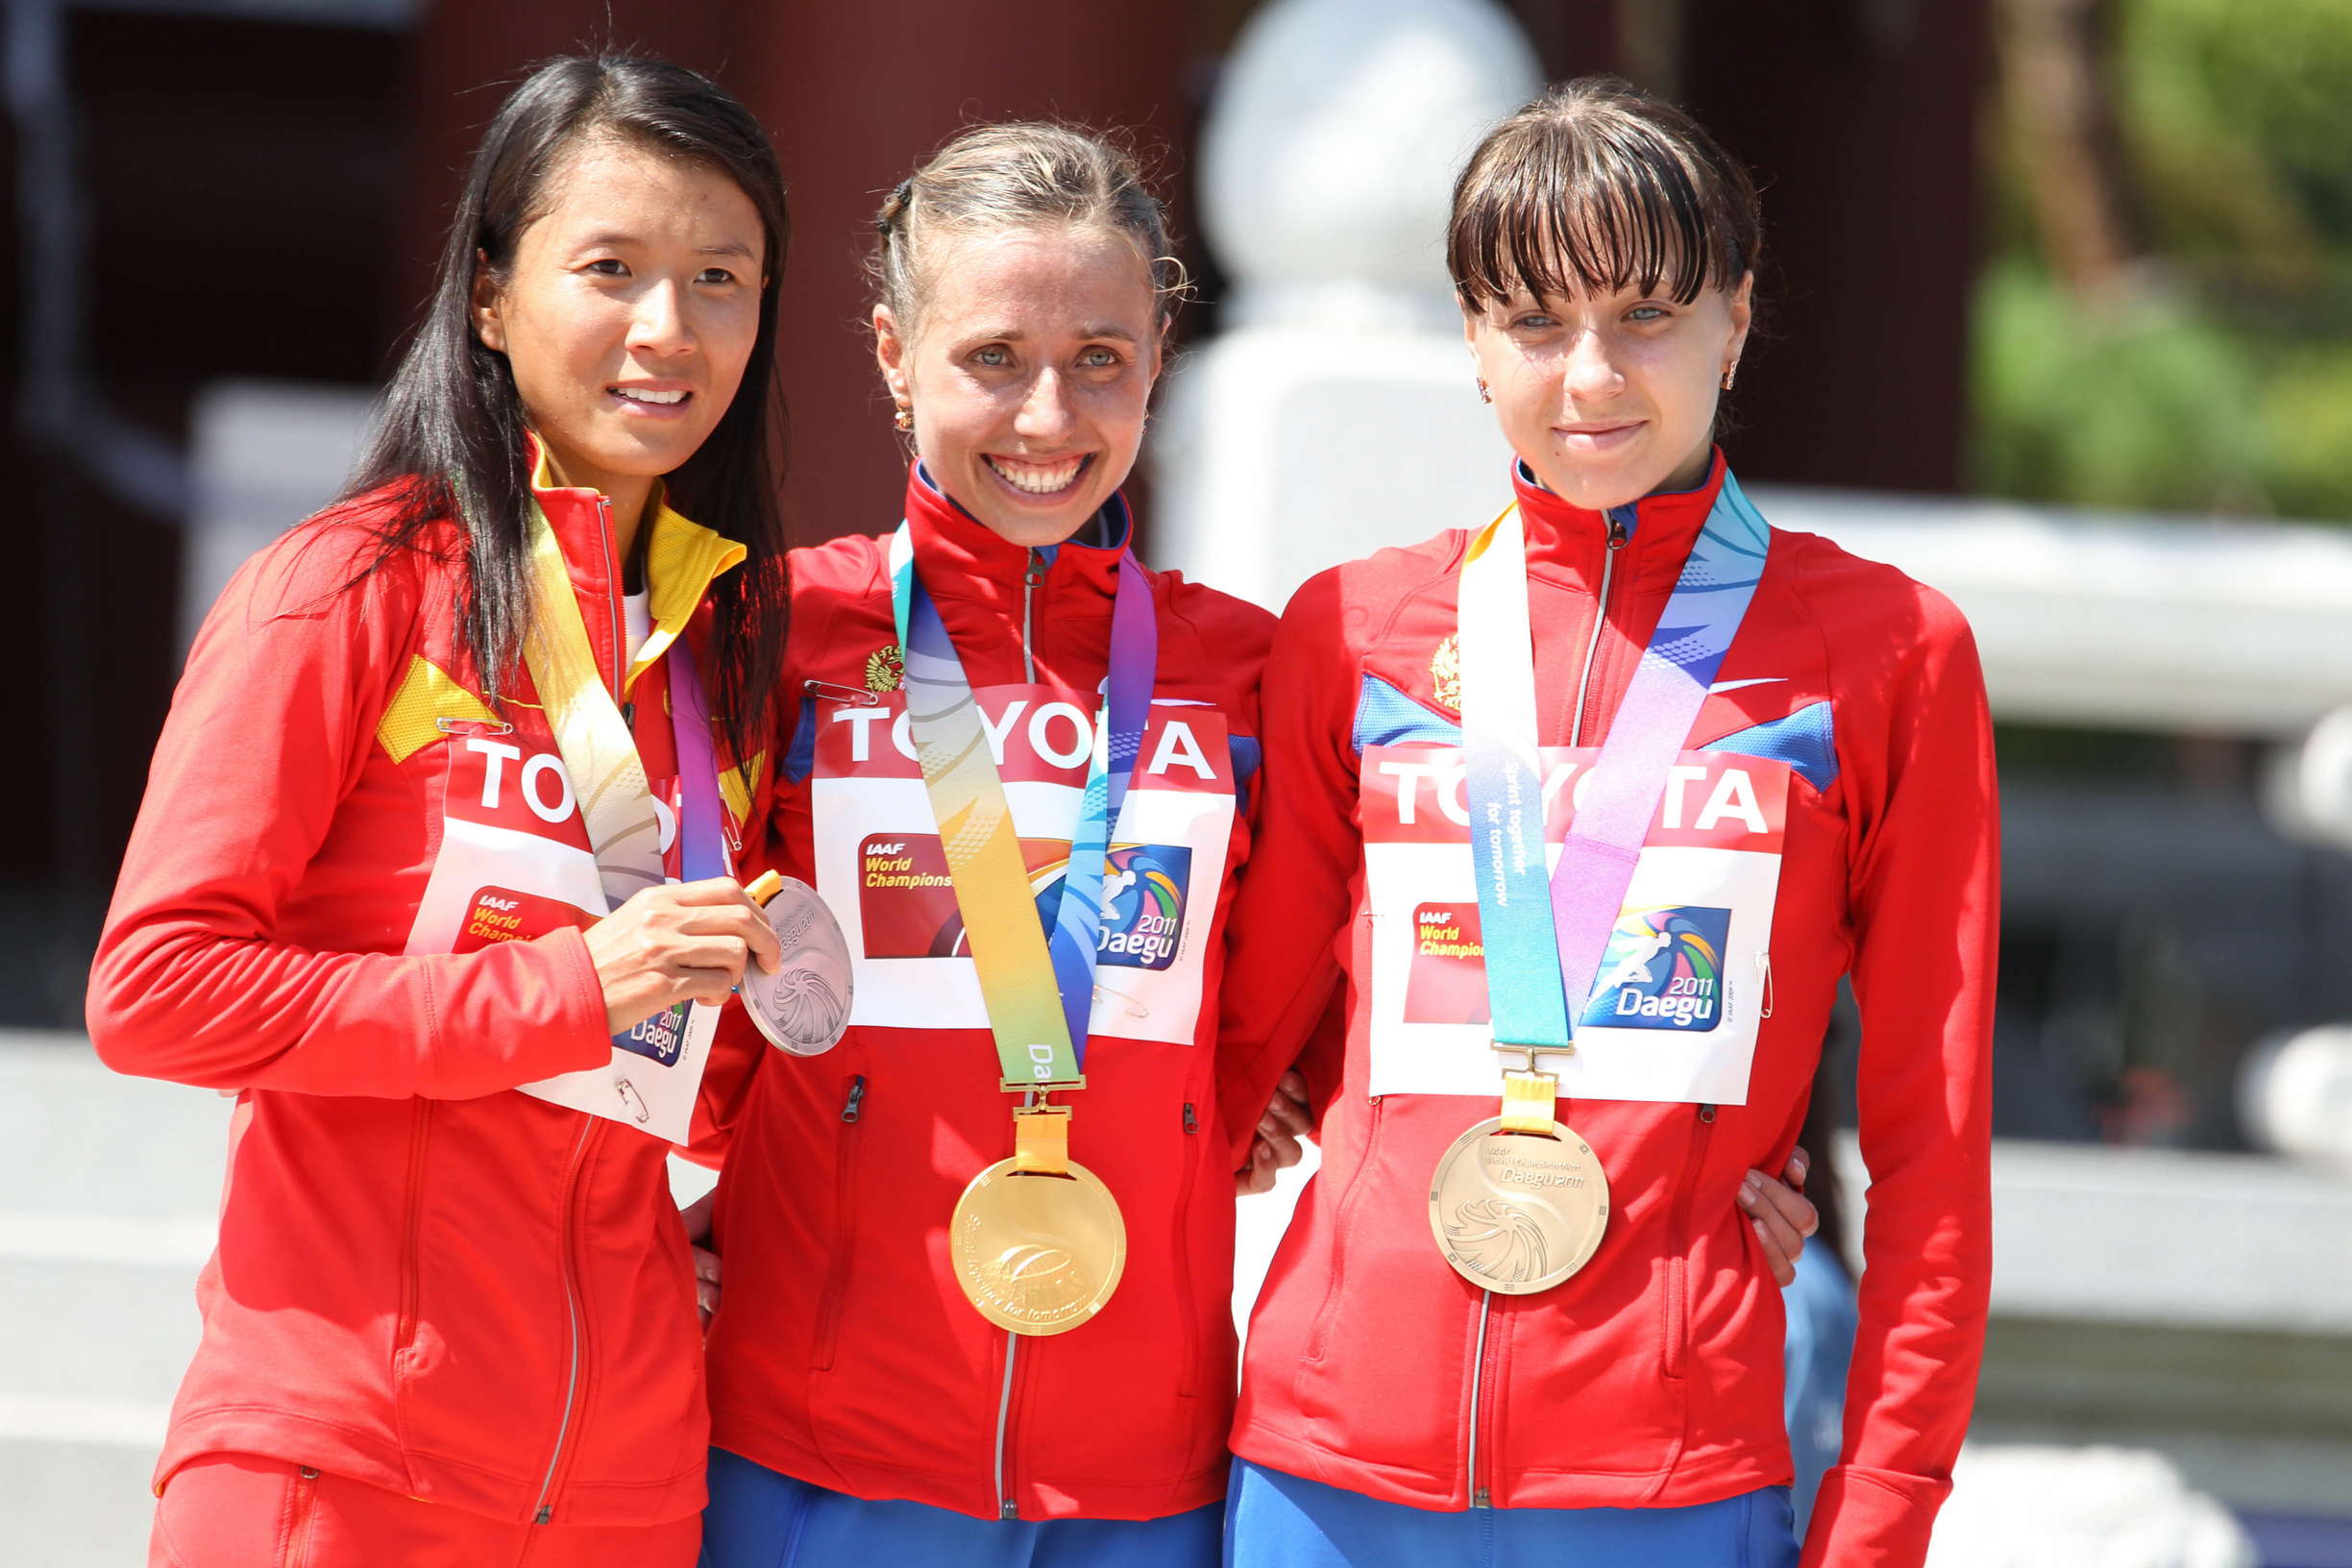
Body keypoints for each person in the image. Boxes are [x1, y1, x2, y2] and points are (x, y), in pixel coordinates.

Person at [686, 119, 1824, 1568]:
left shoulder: (1242, 665)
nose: (1048, 415)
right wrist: (663, 1217)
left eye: (1101, 357)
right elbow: (684, 993)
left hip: (1144, 1474)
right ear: (894, 354)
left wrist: (1704, 1168)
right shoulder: (779, 637)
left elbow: (1371, 1017)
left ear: (1159, 356)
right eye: (993, 358)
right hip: (812, 1442)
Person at [1213, 77, 1997, 1568]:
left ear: (1736, 320)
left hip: (1667, 1484)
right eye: (1534, 321)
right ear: (1471, 338)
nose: (1590, 375)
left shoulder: (1890, 654)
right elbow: (1240, 1053)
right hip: (1322, 1474)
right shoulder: (1355, 629)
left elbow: (1934, 1151)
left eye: (1646, 315)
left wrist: (1882, 1516)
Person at [86, 53, 794, 1568]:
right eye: (610, 269)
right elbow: (155, 991)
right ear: (488, 293)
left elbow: (696, 1069)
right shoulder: (348, 587)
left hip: (623, 1490)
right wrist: (565, 991)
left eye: (720, 278)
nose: (669, 329)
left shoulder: (726, 661)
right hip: (339, 1461)